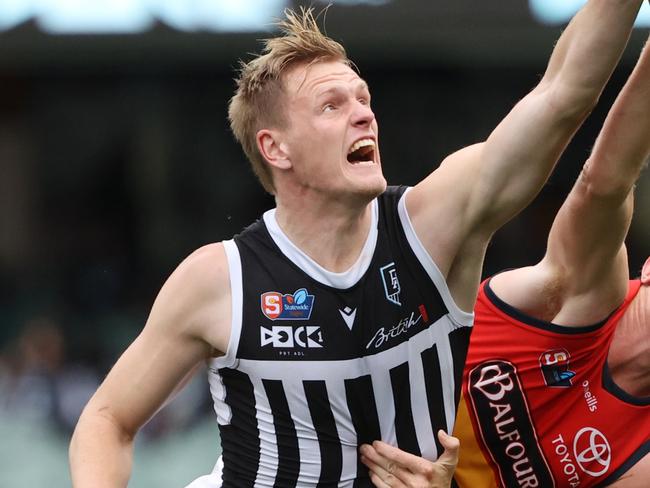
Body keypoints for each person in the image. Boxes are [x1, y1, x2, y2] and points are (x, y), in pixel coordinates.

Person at [69, 2, 645, 486]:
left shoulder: (430, 229)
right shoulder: (220, 280)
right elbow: (106, 419)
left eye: (363, 98)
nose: (363, 115)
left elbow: (562, 93)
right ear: (276, 149)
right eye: (332, 105)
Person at [360, 33, 650, 488]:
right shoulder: (584, 294)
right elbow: (607, 180)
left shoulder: (641, 461)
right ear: (648, 269)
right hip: (342, 422)